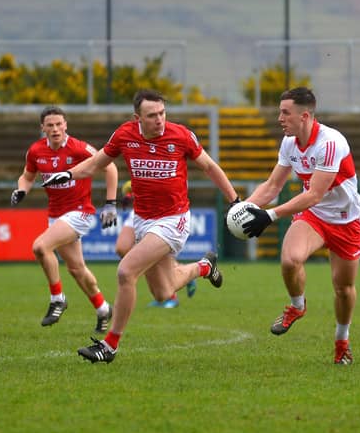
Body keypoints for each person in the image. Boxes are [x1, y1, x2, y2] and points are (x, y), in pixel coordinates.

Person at [42, 89, 239, 363]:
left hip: (173, 221)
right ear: (138, 118)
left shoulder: (180, 135)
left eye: (162, 113)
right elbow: (96, 164)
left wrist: (235, 200)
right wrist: (67, 174)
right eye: (152, 115)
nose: (159, 120)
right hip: (142, 219)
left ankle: (109, 346)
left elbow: (209, 166)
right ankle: (204, 267)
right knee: (163, 291)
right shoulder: (125, 134)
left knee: (125, 272)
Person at [240, 87, 360, 365]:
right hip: (314, 217)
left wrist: (270, 216)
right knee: (290, 260)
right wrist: (244, 208)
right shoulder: (289, 143)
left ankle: (342, 341)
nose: (280, 118)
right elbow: (273, 185)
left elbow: (314, 194)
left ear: (304, 116)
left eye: (285, 113)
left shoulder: (330, 142)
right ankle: (297, 307)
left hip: (346, 220)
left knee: (343, 288)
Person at [11, 105, 118, 333]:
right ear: (43, 128)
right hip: (57, 215)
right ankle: (103, 309)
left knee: (40, 247)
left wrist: (110, 203)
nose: (55, 129)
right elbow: (27, 176)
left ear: (66, 125)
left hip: (80, 212)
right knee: (77, 269)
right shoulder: (36, 151)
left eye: (59, 124)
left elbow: (110, 168)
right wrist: (21, 190)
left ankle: (57, 298)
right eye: (50, 125)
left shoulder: (79, 148)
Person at [115, 180, 197, 306]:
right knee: (122, 248)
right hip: (140, 211)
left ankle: (174, 289)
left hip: (163, 212)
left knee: (143, 262)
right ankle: (178, 270)